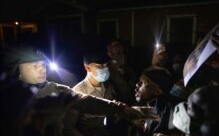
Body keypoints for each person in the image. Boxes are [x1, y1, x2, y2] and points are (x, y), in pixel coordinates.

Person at [1, 44, 149, 136]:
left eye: (43, 65)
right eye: (34, 66)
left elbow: (84, 100)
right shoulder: (7, 98)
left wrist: (119, 110)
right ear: (18, 70)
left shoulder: (54, 89)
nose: (42, 69)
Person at [70, 48, 118, 136]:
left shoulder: (109, 87)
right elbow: (68, 128)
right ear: (87, 67)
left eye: (106, 65)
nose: (104, 69)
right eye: (99, 66)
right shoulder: (78, 91)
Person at [134, 66, 182, 136]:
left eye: (142, 83)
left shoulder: (170, 113)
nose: (136, 85)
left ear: (157, 91)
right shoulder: (150, 110)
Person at [107, 39, 137, 105]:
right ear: (110, 54)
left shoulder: (130, 71)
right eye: (119, 53)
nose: (123, 55)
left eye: (124, 52)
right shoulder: (106, 73)